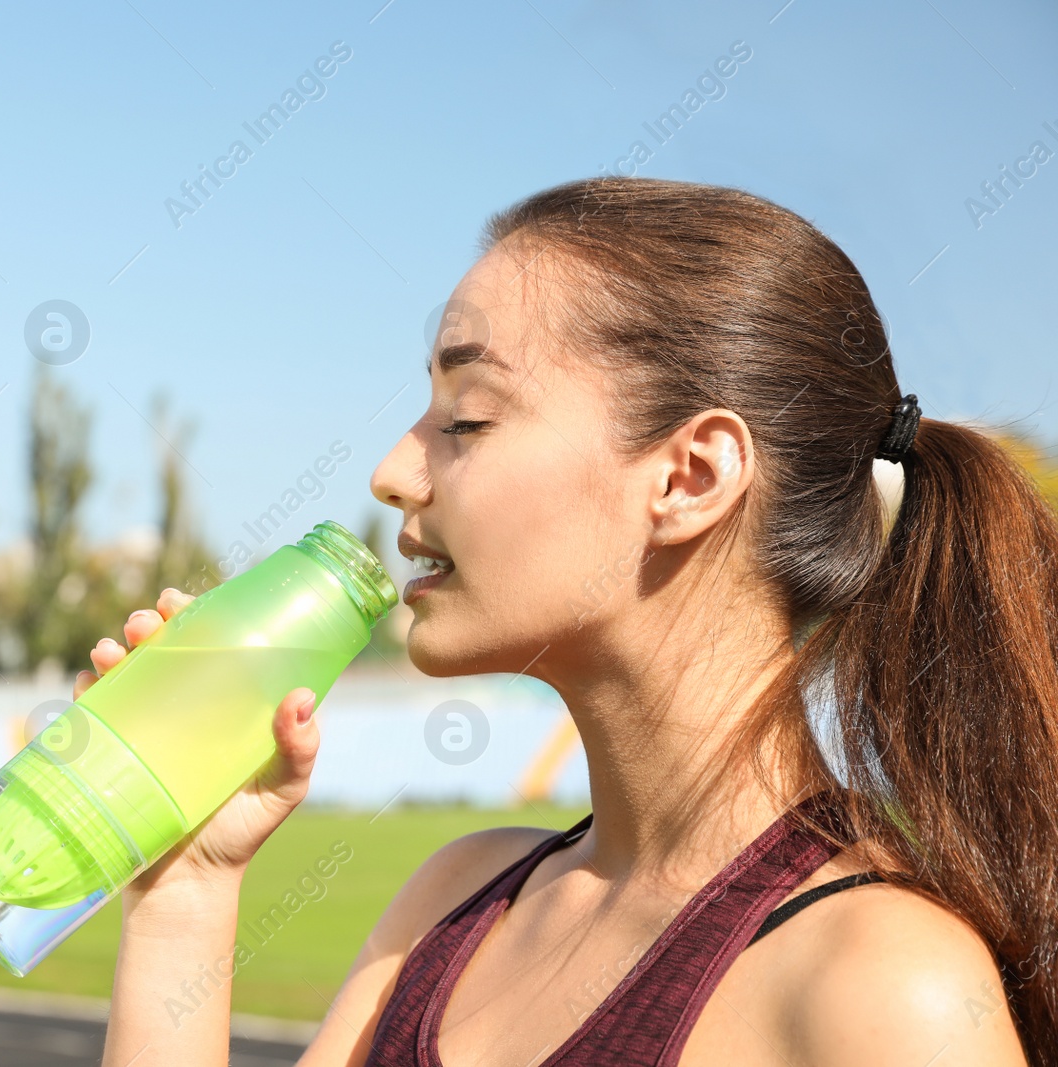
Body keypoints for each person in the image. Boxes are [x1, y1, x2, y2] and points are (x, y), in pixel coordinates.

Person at [88, 177, 1055, 1066]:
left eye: (465, 418)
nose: (391, 471)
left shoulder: (886, 986)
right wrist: (184, 895)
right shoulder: (455, 899)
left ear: (689, 477)